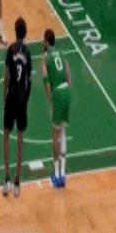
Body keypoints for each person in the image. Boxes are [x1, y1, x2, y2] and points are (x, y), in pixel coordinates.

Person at [2, 17, 31, 198]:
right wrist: (26, 99)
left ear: (15, 31)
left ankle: (6, 177)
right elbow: (29, 80)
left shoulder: (10, 49)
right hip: (21, 99)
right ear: (25, 33)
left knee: (6, 134)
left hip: (11, 96)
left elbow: (6, 76)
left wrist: (4, 99)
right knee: (20, 137)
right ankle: (17, 181)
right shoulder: (27, 52)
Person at [42, 29, 71, 188]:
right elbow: (67, 71)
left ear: (46, 42)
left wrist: (51, 99)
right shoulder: (61, 52)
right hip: (67, 91)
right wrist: (68, 88)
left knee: (55, 135)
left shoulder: (45, 57)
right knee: (63, 132)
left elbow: (46, 80)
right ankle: (63, 174)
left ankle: (57, 175)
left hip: (58, 94)